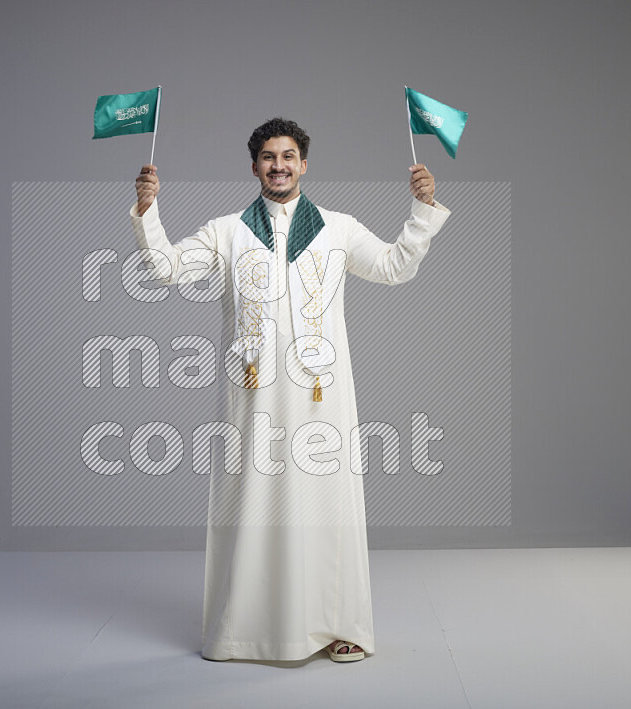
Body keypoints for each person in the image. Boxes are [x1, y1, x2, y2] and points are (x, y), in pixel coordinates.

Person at [131, 117, 451, 662]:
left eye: (288, 156)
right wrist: (147, 210)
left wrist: (422, 211)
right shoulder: (227, 230)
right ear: (254, 166)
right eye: (267, 157)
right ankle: (246, 630)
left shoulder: (338, 228)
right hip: (252, 393)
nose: (278, 166)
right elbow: (164, 269)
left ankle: (339, 626)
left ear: (304, 164)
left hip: (322, 395)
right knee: (252, 504)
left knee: (328, 505)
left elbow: (395, 267)